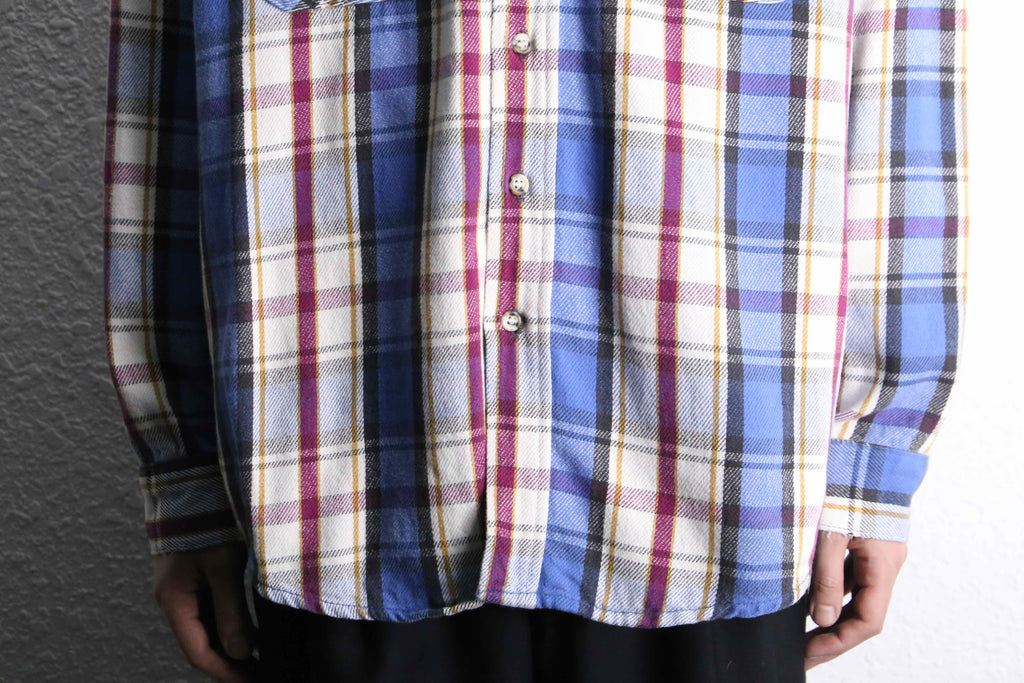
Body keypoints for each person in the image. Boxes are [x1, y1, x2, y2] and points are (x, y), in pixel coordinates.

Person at [102, 0, 969, 680]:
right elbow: (163, 113)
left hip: (705, 489)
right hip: (354, 493)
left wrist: (868, 459)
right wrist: (185, 474)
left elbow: (903, 81)